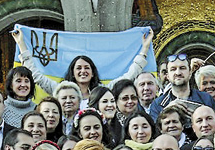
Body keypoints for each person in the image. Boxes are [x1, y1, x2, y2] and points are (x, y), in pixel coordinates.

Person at [12, 28, 153, 100]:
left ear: (93, 73)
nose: (83, 71)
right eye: (78, 68)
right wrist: (22, 44)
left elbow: (128, 78)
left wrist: (144, 49)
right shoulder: (61, 90)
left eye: (87, 68)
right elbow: (36, 76)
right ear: (72, 72)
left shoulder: (102, 92)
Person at [149, 54, 215, 120]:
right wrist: (166, 112)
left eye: (182, 68)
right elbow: (154, 130)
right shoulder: (157, 105)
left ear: (190, 73)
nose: (178, 73)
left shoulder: (206, 99)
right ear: (168, 76)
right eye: (173, 69)